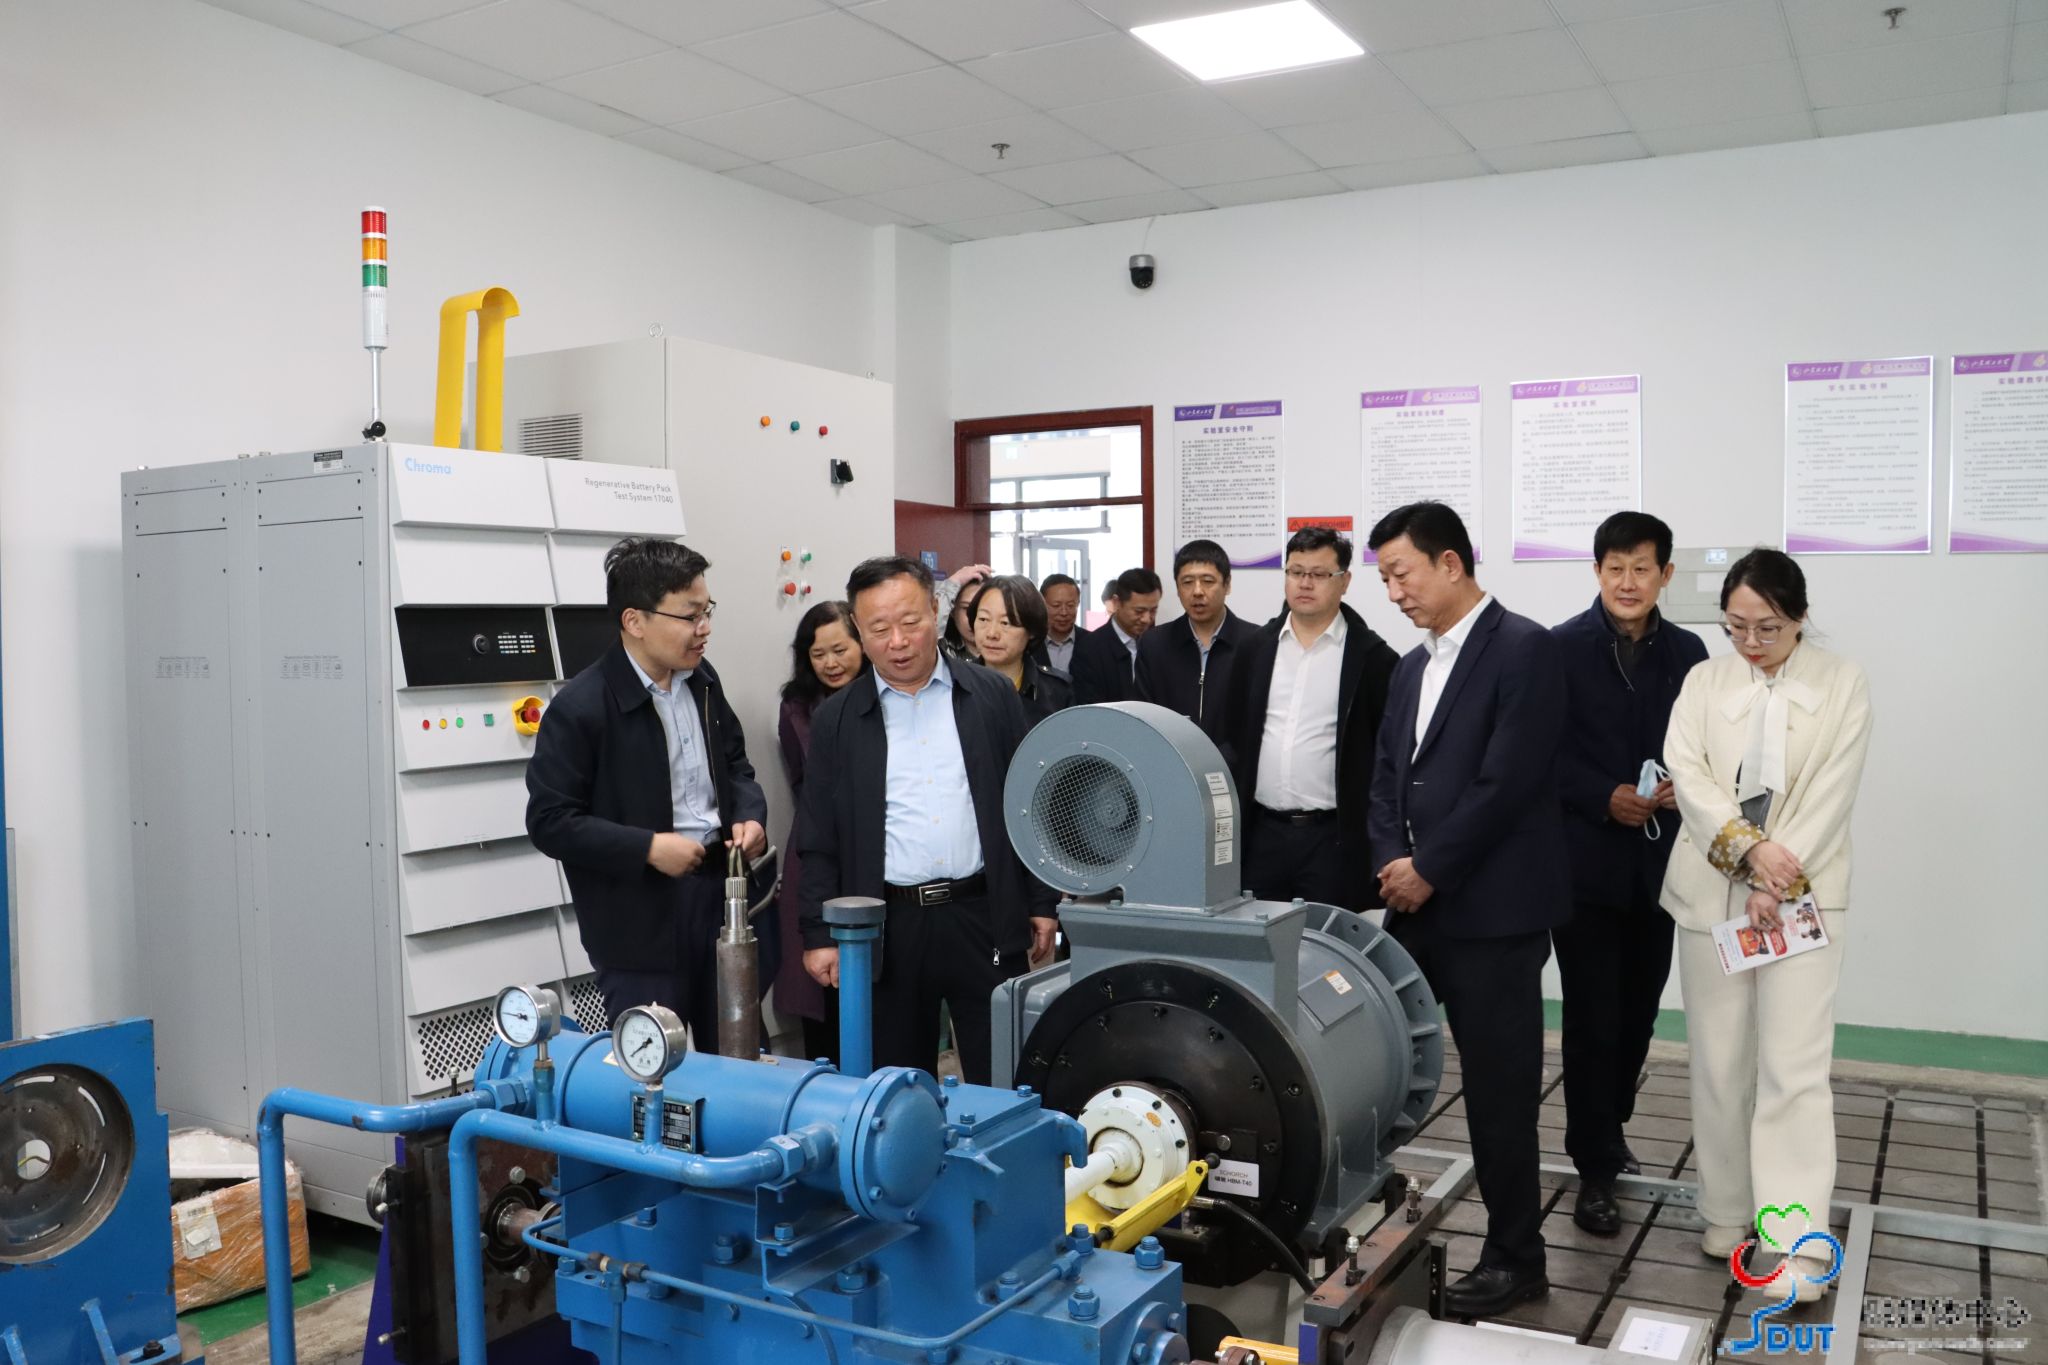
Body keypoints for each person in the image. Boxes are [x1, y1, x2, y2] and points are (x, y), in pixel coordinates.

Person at [1366, 501, 1570, 1319]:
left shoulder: (1525, 649)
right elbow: (1386, 773)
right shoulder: (1411, 667)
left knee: (1498, 1093)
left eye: (1401, 574)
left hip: (1494, 915)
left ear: (1450, 563)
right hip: (1415, 907)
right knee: (1372, 1061)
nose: (1393, 592)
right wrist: (1392, 859)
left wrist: (1431, 867)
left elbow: (1507, 782)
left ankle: (1517, 1256)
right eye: (1385, 578)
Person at [1661, 549, 1870, 1300]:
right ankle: (1726, 1211)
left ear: (1800, 616)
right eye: (1736, 626)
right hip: (1710, 894)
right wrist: (1749, 857)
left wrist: (1776, 875)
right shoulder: (1704, 680)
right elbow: (1689, 774)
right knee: (1719, 1061)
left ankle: (1793, 1240)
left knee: (1794, 1069)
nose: (1751, 642)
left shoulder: (1841, 681)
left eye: (1768, 627)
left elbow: (1833, 789)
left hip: (1803, 899)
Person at [796, 556, 1060, 1084]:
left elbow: (1028, 806)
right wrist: (818, 932)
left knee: (1004, 1077)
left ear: (936, 613)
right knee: (897, 1089)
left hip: (983, 912)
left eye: (910, 622)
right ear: (859, 631)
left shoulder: (990, 696)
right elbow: (819, 835)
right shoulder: (837, 720)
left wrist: (1040, 902)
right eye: (879, 629)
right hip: (890, 926)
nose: (898, 642)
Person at [526, 537, 769, 1041]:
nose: (704, 628)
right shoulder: (582, 707)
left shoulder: (702, 682)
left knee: (741, 1055)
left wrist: (749, 814)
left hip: (721, 895)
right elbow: (550, 821)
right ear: (634, 621)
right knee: (655, 1068)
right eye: (690, 616)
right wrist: (648, 848)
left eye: (707, 612)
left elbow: (735, 765)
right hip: (639, 924)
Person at [1550, 512, 1709, 1237]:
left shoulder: (1690, 653)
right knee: (1591, 1020)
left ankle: (1609, 1130)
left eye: (1642, 568)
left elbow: (1705, 748)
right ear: (1596, 571)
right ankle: (1593, 1168)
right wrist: (1599, 794)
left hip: (1661, 867)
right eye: (1614, 567)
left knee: (1638, 1016)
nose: (1627, 581)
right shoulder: (1559, 648)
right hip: (1585, 869)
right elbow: (1537, 752)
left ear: (1665, 575)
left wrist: (1684, 785)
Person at [1220, 526, 1398, 910]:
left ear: (1344, 581)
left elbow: (1386, 756)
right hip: (1261, 834)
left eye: (1319, 574)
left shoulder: (1373, 659)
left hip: (1332, 839)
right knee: (1257, 938)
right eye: (1295, 572)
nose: (1305, 583)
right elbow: (1232, 734)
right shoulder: (1254, 649)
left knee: (1326, 940)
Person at [772, 599, 867, 1063]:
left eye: (840, 650)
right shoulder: (796, 707)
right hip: (816, 850)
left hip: (873, 849)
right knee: (821, 978)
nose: (830, 663)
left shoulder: (884, 696)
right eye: (818, 654)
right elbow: (799, 780)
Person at [1135, 538, 1260, 741]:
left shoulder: (1254, 643)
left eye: (1208, 581)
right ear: (1177, 588)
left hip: (1232, 761)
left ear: (1227, 585)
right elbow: (1143, 719)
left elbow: (1255, 722)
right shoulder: (1154, 644)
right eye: (1187, 582)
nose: (1197, 591)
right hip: (1170, 757)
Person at [971, 575, 1074, 727]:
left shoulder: (1057, 691)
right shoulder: (956, 685)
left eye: (1005, 623)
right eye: (983, 619)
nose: (992, 633)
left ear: (1031, 630)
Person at [1069, 567, 1161, 704]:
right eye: (1139, 611)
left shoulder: (1158, 645)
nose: (1147, 619)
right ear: (1117, 602)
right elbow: (1089, 708)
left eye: (1153, 611)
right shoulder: (1089, 650)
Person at [938, 562, 992, 664]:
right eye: (967, 608)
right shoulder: (943, 650)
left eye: (983, 609)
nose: (974, 618)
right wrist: (953, 583)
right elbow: (929, 623)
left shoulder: (1007, 650)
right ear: (952, 611)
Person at [1035, 573, 1083, 674]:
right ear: (1042, 604)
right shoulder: (1030, 644)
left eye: (1070, 605)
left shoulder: (1092, 644)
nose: (1064, 613)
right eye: (1056, 605)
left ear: (1078, 604)